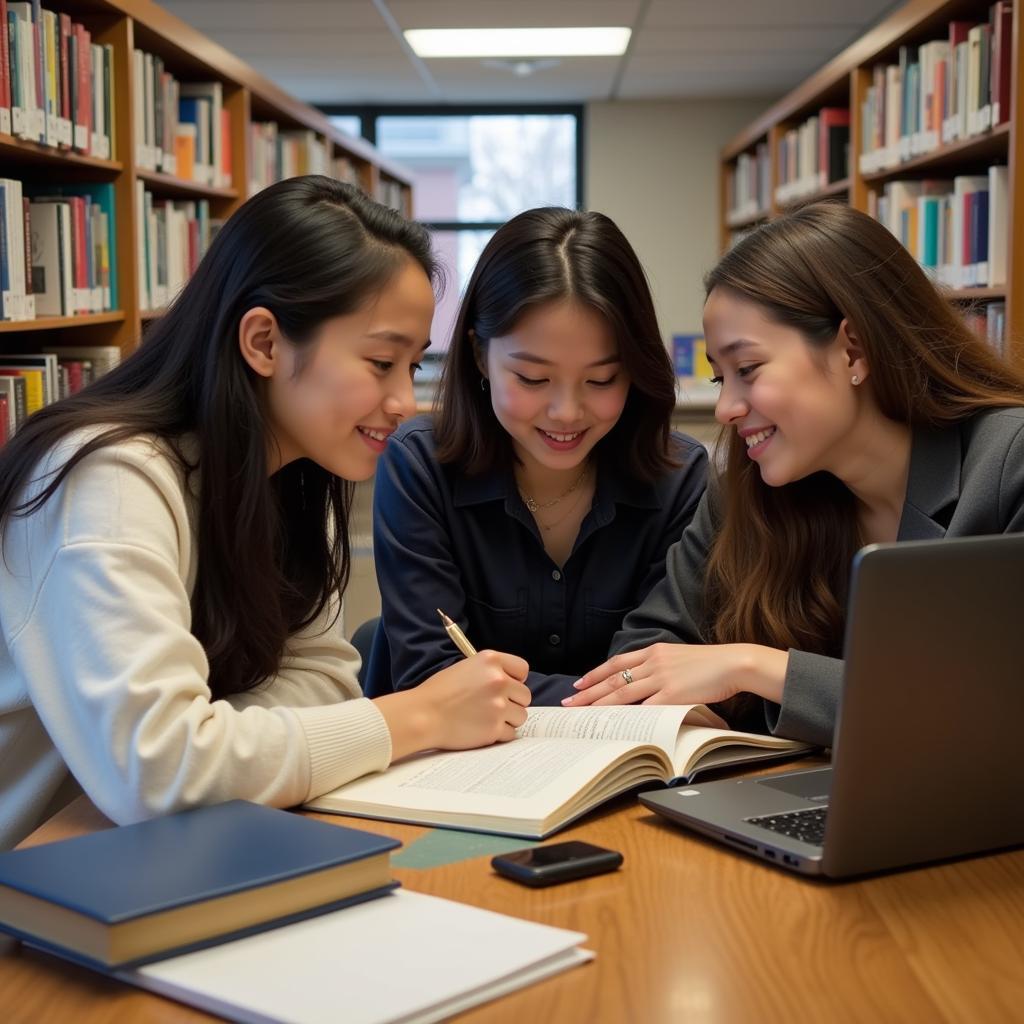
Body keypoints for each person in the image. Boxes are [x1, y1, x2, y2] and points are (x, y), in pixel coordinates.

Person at [0, 176, 531, 852]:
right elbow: (160, 771)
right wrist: (419, 715)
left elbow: (323, 685)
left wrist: (224, 747)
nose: (403, 402)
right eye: (380, 362)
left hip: (165, 851)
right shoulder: (106, 482)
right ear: (264, 343)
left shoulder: (296, 474)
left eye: (413, 365)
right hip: (38, 887)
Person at [566, 201, 1024, 745]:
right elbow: (644, 651)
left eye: (748, 370)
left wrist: (759, 668)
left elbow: (992, 708)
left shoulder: (1007, 465)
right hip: (787, 798)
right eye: (719, 380)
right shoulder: (746, 490)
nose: (726, 409)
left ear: (853, 348)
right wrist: (685, 720)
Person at [364, 207, 708, 704]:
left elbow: (651, 681)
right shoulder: (420, 467)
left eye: (601, 379)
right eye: (532, 378)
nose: (566, 412)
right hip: (448, 771)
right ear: (481, 355)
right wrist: (606, 699)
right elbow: (432, 677)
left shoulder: (682, 478)